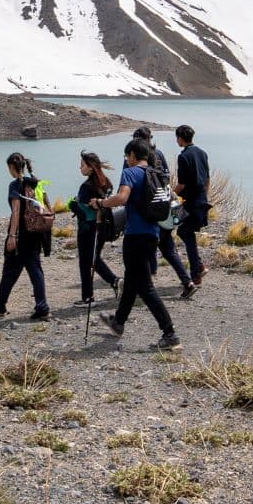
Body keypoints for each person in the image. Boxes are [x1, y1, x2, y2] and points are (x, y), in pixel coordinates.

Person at [96, 139, 181, 349]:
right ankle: (118, 322)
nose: (127, 160)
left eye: (127, 156)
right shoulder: (158, 174)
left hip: (135, 235)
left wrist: (101, 203)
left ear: (133, 155)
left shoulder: (131, 172)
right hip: (154, 234)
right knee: (133, 280)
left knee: (145, 286)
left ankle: (169, 333)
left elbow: (122, 198)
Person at [131, 126, 195, 297]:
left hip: (148, 211)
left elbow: (131, 185)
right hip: (165, 206)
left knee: (143, 248)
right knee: (168, 249)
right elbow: (166, 178)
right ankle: (187, 282)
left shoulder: (134, 157)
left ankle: (146, 287)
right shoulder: (158, 154)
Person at [0, 152, 49, 321]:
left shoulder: (15, 185)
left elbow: (16, 210)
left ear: (12, 168)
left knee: (9, 271)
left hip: (21, 236)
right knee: (36, 271)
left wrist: (12, 236)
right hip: (35, 234)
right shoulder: (35, 183)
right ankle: (42, 307)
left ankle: (0, 306)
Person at [69, 150, 120, 304]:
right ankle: (89, 296)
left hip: (88, 228)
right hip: (104, 226)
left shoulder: (86, 187)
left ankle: (114, 282)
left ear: (91, 167)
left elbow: (82, 210)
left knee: (88, 261)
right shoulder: (107, 182)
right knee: (91, 260)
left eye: (82, 165)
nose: (80, 168)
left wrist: (72, 204)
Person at [172, 124, 210, 290]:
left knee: (182, 230)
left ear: (180, 138)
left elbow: (182, 184)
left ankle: (197, 271)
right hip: (201, 201)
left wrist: (170, 194)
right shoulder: (202, 153)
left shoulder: (183, 156)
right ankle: (198, 268)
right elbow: (207, 179)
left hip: (188, 203)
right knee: (185, 231)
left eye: (177, 137)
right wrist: (204, 195)